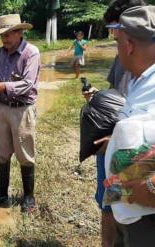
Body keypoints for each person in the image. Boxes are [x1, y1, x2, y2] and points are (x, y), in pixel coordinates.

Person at [83, 1, 147, 247]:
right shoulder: (121, 59)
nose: (112, 35)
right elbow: (116, 94)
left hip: (136, 155)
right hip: (111, 144)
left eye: (114, 28)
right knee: (110, 202)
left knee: (135, 209)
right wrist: (98, 96)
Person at [104, 6, 155, 246]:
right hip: (127, 206)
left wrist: (152, 187)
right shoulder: (139, 80)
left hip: (147, 214)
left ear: (129, 45)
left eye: (117, 43)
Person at [0, 14, 40, 213]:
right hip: (0, 108)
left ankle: (29, 197)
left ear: (19, 33)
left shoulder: (31, 53)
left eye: (8, 34)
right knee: (0, 153)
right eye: (2, 35)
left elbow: (28, 84)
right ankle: (1, 195)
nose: (4, 39)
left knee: (25, 154)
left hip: (22, 110)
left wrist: (2, 87)